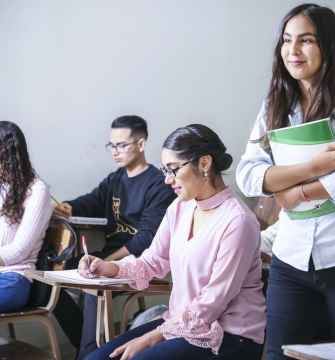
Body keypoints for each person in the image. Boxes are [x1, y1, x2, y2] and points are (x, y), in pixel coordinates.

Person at [236, 4, 335, 358]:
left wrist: (297, 193)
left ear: (328, 46)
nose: (293, 51)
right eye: (287, 40)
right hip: (290, 258)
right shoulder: (274, 103)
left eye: (306, 40)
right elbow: (248, 175)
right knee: (278, 355)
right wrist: (313, 167)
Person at [80, 124, 266, 360]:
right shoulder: (180, 207)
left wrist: (151, 337)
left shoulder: (238, 221)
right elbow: (152, 261)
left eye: (173, 169)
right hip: (181, 325)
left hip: (229, 335)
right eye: (165, 170)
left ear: (204, 163)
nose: (168, 180)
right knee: (95, 359)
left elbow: (212, 303)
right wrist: (106, 267)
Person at [51, 115, 176, 357]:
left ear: (141, 144)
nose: (115, 152)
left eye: (122, 145)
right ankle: (83, 340)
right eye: (112, 145)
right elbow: (91, 201)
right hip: (109, 257)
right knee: (54, 275)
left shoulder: (158, 183)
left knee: (93, 288)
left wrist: (108, 262)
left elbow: (145, 239)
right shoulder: (115, 179)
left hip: (138, 261)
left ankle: (85, 354)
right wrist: (68, 207)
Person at [0, 121, 52, 312]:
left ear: (8, 155)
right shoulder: (1, 187)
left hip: (13, 279)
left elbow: (18, 251)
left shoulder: (37, 191)